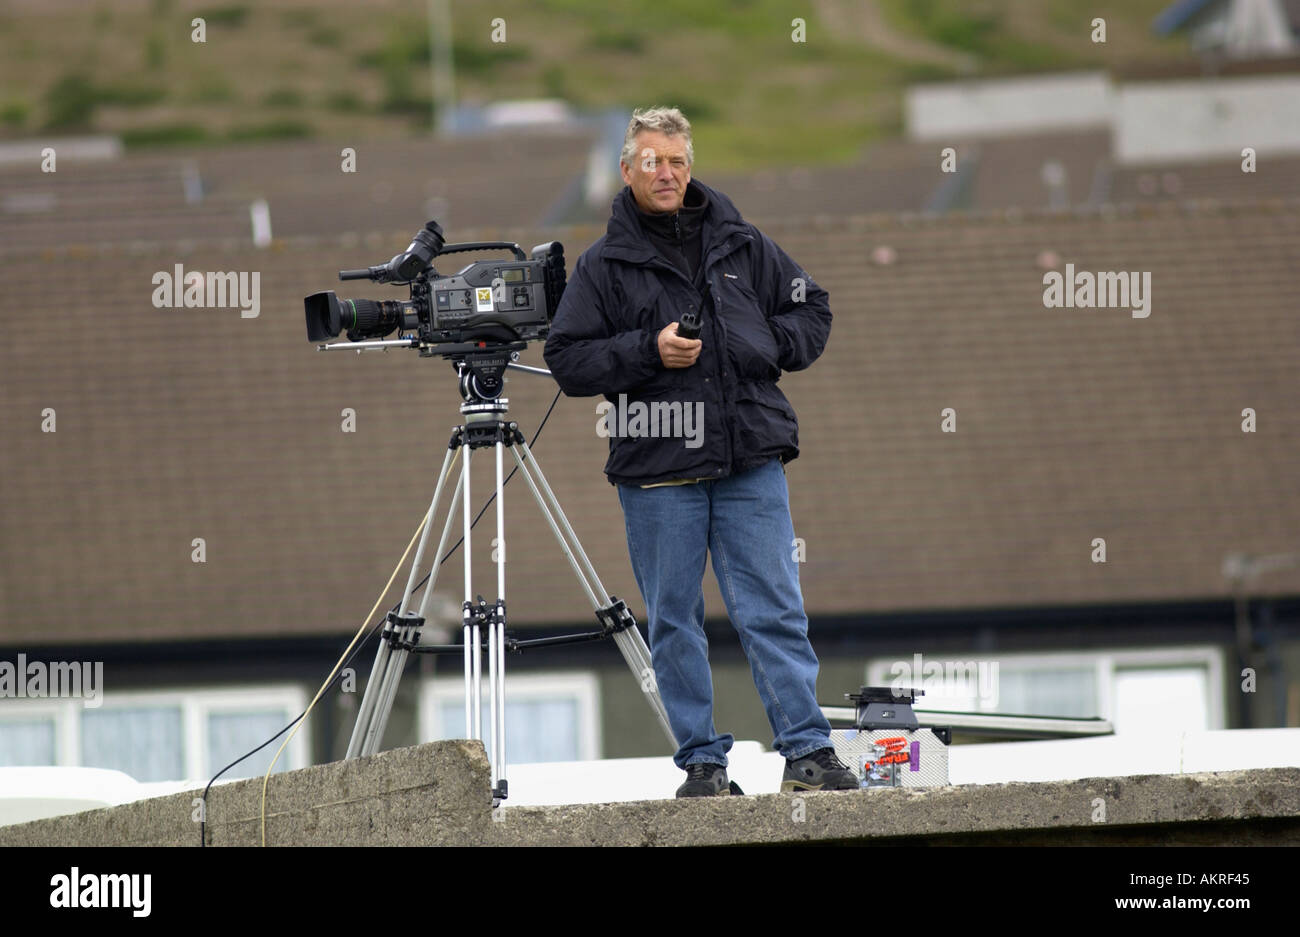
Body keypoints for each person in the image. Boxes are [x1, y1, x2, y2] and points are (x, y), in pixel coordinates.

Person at [543, 107, 856, 797]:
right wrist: (646, 350)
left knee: (775, 607)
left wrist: (768, 346)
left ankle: (807, 752)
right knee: (676, 622)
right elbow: (565, 359)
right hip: (658, 476)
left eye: (677, 160)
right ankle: (703, 766)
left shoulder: (744, 244)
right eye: (652, 161)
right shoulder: (602, 267)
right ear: (627, 171)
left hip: (751, 459)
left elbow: (813, 306)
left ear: (691, 167)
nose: (667, 172)